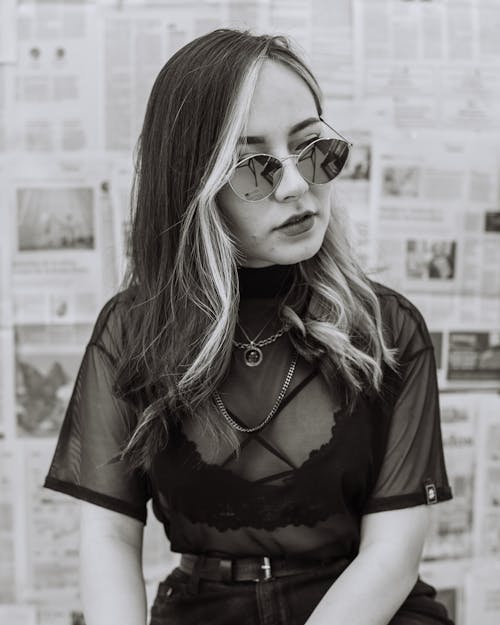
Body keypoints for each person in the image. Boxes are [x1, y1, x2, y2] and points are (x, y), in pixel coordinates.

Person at [44, 29, 454, 625]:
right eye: (253, 166)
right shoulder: (131, 331)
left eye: (315, 149)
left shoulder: (387, 326)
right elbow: (108, 536)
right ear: (195, 184)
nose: (297, 185)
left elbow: (392, 554)